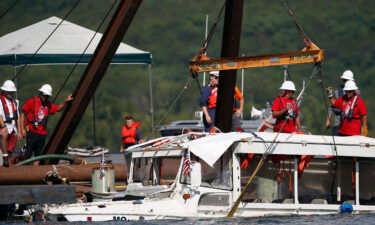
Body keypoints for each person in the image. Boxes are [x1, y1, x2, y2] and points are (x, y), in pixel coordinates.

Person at [20, 84, 73, 161]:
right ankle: (23, 169)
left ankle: (36, 171)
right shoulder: (31, 102)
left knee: (38, 155)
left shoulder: (47, 104)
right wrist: (22, 129)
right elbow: (23, 113)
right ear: (40, 93)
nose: (45, 97)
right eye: (44, 95)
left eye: (47, 96)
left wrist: (65, 101)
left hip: (42, 133)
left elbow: (58, 108)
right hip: (31, 131)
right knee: (28, 153)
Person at [326, 70, 360, 135]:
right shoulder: (337, 92)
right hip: (338, 123)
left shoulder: (357, 92)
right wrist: (328, 120)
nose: (345, 82)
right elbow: (331, 107)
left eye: (346, 80)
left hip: (352, 124)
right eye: (344, 80)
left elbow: (360, 109)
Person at [0, 80, 22, 167]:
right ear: (5, 91)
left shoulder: (15, 102)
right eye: (9, 91)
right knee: (4, 134)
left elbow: (18, 118)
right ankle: (5, 158)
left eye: (12, 92)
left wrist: (19, 131)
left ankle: (8, 161)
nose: (11, 93)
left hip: (12, 126)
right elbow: (0, 116)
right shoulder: (0, 101)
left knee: (13, 141)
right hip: (3, 124)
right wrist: (4, 126)